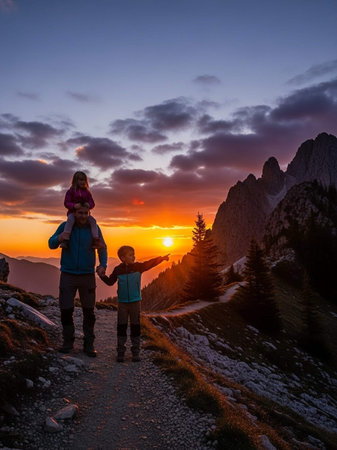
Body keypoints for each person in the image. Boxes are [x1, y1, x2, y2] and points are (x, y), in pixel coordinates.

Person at [48, 203, 107, 357]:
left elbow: (102, 248)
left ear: (89, 212)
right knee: (66, 309)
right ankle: (68, 341)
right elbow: (51, 243)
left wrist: (103, 265)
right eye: (80, 212)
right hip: (68, 274)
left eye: (85, 213)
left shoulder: (94, 228)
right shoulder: (65, 225)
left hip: (87, 275)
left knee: (89, 311)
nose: (82, 215)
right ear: (74, 212)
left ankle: (89, 343)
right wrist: (60, 237)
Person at [99, 246, 169, 362]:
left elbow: (150, 263)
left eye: (134, 254)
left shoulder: (138, 267)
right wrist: (102, 276)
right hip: (122, 303)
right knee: (121, 327)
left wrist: (161, 258)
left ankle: (135, 352)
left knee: (135, 327)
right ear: (122, 258)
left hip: (135, 302)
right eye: (131, 255)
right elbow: (110, 282)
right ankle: (121, 352)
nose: (134, 257)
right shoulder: (118, 269)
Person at [60, 171, 103, 249]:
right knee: (70, 220)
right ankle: (65, 239)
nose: (83, 182)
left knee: (93, 221)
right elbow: (66, 203)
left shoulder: (87, 192)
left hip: (86, 214)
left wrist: (88, 205)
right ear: (75, 181)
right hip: (73, 212)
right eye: (80, 180)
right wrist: (74, 206)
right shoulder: (71, 191)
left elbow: (92, 203)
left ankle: (96, 240)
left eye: (84, 180)